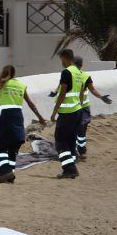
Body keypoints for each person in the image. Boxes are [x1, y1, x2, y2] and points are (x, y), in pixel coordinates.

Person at [49, 49, 86, 179]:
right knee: (70, 140)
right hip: (77, 111)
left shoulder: (66, 72)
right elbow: (81, 92)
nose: (61, 62)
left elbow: (63, 93)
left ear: (65, 57)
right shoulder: (79, 73)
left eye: (61, 59)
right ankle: (71, 166)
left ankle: (69, 169)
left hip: (67, 113)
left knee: (60, 141)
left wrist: (54, 112)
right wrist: (80, 106)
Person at [72, 56, 112, 161]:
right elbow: (93, 89)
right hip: (79, 108)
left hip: (78, 108)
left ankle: (80, 150)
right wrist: (101, 97)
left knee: (80, 130)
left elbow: (92, 89)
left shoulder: (78, 76)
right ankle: (78, 150)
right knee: (80, 130)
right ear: (82, 65)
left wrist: (101, 97)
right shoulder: (81, 76)